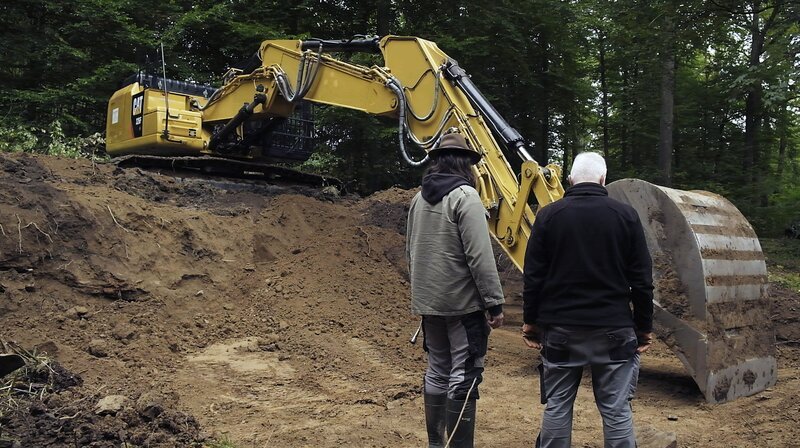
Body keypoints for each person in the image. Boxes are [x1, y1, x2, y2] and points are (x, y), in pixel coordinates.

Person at [521, 152, 654, 448]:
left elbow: (533, 277)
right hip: (615, 331)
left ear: (569, 180)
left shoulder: (548, 216)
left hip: (561, 332)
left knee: (557, 406)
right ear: (603, 179)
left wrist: (531, 322)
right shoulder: (626, 216)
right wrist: (643, 327)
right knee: (617, 411)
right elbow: (642, 281)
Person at [406, 132, 505, 448]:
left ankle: (437, 444)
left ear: (437, 161)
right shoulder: (466, 197)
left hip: (429, 304)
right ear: (466, 163)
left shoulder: (418, 199)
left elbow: (411, 250)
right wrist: (494, 303)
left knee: (437, 371)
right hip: (463, 307)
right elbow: (479, 255)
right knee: (464, 375)